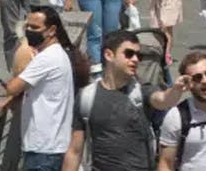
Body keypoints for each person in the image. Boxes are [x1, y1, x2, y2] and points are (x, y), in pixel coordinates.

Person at [62, 30, 191, 171]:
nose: (135, 59)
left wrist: (176, 89)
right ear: (109, 55)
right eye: (129, 54)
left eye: (138, 55)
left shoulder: (142, 92)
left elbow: (163, 100)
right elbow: (74, 151)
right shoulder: (87, 97)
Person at [0, 6, 89, 171]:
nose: (29, 31)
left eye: (35, 28)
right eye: (28, 27)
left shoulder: (46, 59)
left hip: (43, 150)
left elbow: (12, 87)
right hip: (54, 146)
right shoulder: (59, 54)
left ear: (52, 30)